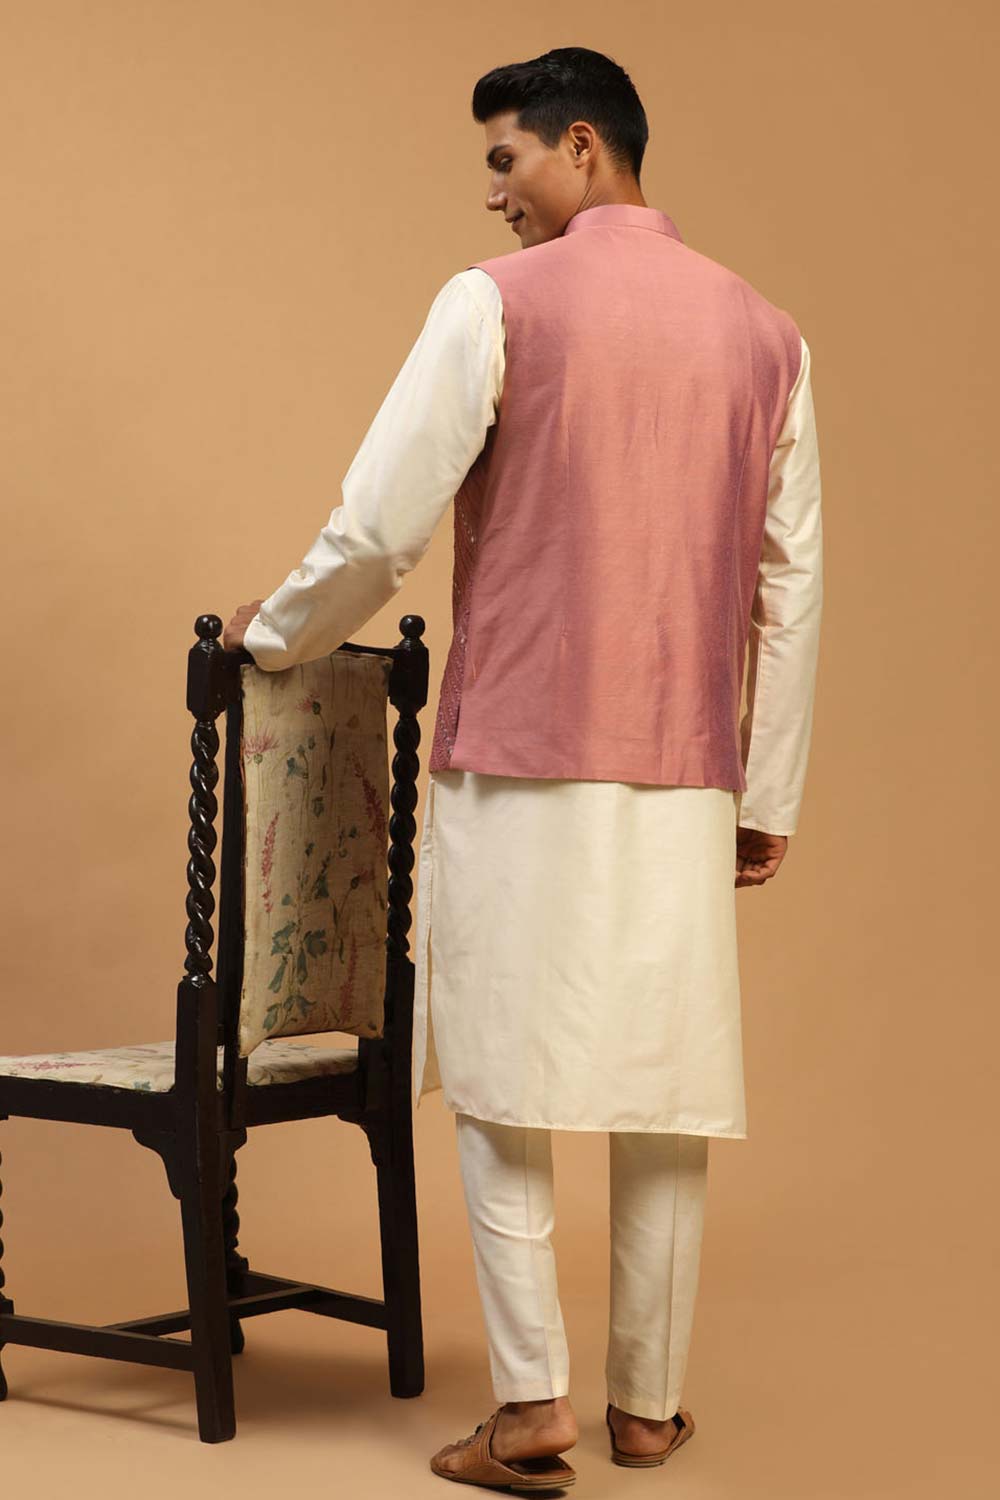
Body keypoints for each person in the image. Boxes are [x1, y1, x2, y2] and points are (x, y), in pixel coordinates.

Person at [224, 46, 822, 1492]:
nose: (494, 193)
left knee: (501, 1073)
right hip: (686, 767)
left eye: (506, 159)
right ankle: (647, 1409)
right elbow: (790, 586)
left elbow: (384, 523)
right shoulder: (767, 335)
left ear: (582, 144)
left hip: (517, 749)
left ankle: (531, 1404)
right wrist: (768, 793)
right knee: (664, 1085)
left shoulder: (495, 302)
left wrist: (279, 631)